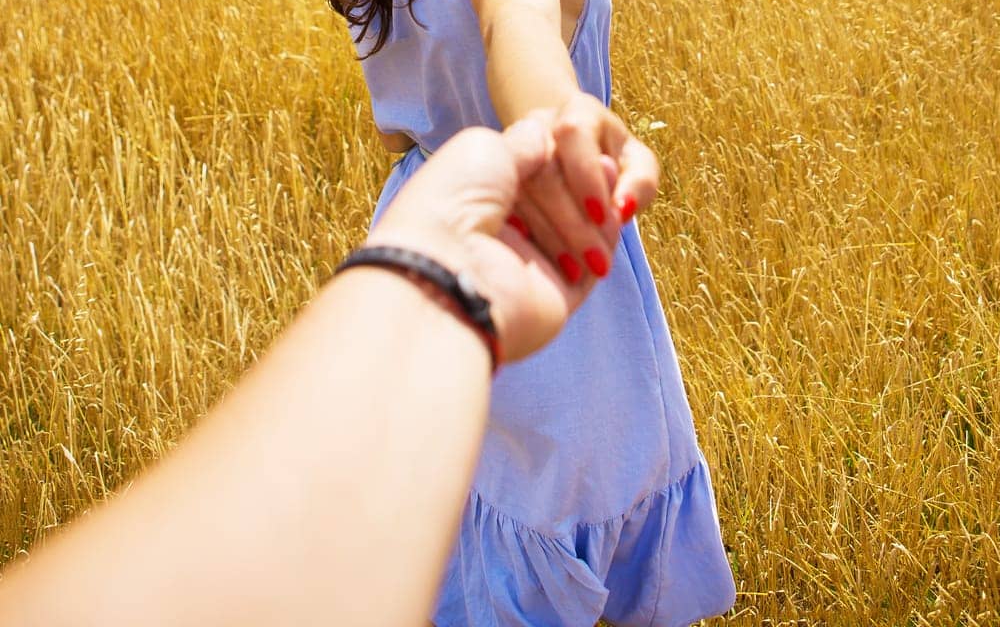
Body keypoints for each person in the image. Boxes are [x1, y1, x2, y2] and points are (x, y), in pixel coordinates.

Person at [318, 0, 737, 627]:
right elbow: (517, 21)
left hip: (425, 225)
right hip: (533, 230)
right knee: (567, 496)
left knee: (463, 496)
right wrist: (553, 121)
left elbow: (395, 114)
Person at [0, 112, 659, 627]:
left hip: (434, 214)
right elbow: (525, 39)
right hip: (523, 230)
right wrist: (567, 120)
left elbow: (389, 128)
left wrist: (434, 266)